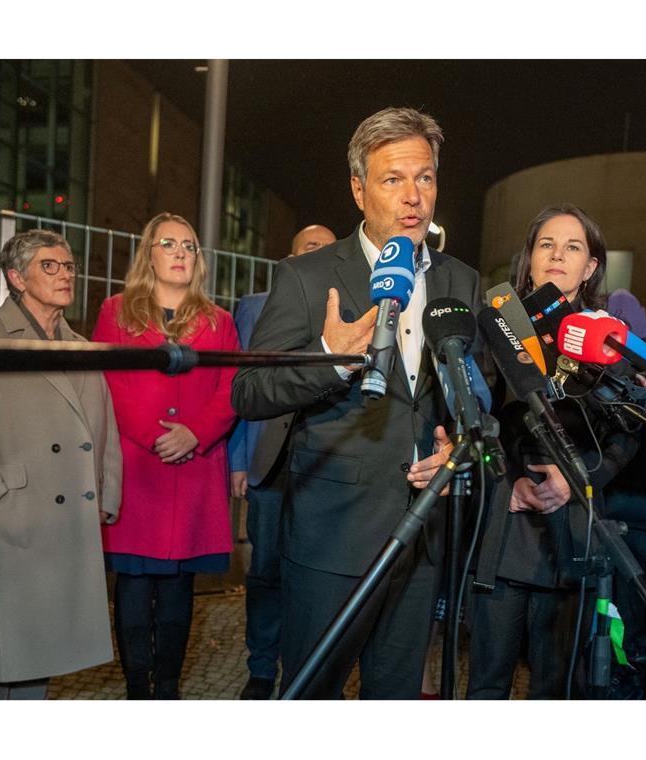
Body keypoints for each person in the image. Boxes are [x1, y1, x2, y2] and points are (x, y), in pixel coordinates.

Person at [231, 107, 481, 699]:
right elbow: (250, 392)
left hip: (420, 536)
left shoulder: (459, 282)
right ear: (358, 189)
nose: (413, 196)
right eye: (393, 179)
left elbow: (465, 394)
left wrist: (454, 446)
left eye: (425, 177)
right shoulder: (307, 277)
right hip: (330, 539)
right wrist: (330, 356)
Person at [0, 229, 120, 699]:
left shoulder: (81, 345)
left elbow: (103, 428)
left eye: (68, 265)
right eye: (49, 265)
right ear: (17, 277)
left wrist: (103, 498)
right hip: (11, 520)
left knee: (41, 652)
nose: (65, 274)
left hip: (64, 522)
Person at [468, 204, 636, 699]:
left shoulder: (608, 340)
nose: (557, 255)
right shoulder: (496, 327)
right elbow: (473, 418)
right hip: (506, 525)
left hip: (574, 528)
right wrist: (505, 482)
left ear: (590, 269)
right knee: (487, 685)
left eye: (572, 246)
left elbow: (628, 436)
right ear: (530, 259)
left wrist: (578, 477)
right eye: (546, 244)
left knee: (557, 690)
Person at [92, 212, 239, 699]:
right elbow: (107, 383)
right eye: (168, 243)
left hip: (195, 469)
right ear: (149, 254)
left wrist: (195, 433)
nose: (179, 252)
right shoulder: (116, 311)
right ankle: (138, 688)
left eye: (189, 246)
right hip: (138, 472)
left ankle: (169, 689)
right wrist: (155, 436)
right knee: (133, 585)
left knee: (178, 589)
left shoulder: (221, 321)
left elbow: (230, 389)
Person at [229, 223, 336, 700]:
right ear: (289, 259)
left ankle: (306, 669)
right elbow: (239, 387)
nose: (319, 257)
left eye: (327, 251)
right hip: (269, 462)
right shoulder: (252, 308)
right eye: (309, 248)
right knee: (264, 571)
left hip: (325, 465)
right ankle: (260, 668)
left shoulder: (352, 305)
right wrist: (238, 459)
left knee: (314, 575)